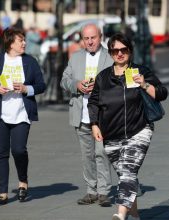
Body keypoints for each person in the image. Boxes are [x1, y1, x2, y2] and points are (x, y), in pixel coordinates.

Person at [88, 33, 168, 220]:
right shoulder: (103, 77)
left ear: (130, 51)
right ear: (110, 53)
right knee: (127, 176)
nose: (120, 54)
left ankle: (120, 214)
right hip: (111, 135)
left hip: (139, 130)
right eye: (115, 51)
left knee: (128, 171)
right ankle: (135, 214)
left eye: (124, 50)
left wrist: (144, 84)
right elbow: (93, 102)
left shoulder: (140, 71)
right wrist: (94, 125)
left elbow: (162, 93)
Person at [0, 27, 46, 206]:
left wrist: (27, 89)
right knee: (1, 153)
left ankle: (23, 182)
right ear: (10, 43)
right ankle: (3, 193)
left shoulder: (30, 61)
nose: (24, 43)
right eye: (21, 40)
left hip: (22, 113)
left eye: (24, 40)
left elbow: (41, 85)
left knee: (19, 149)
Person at [61, 23, 113, 207]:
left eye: (93, 38)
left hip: (103, 116)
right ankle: (91, 190)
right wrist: (76, 84)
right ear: (82, 40)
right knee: (87, 155)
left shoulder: (110, 57)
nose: (90, 42)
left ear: (101, 37)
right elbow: (64, 80)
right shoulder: (75, 58)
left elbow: (119, 82)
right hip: (81, 113)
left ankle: (104, 191)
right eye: (86, 38)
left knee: (101, 153)